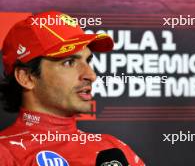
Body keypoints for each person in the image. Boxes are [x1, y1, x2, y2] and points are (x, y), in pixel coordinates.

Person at [0, 11, 145, 166]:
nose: (91, 75)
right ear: (27, 77)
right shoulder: (5, 153)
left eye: (88, 60)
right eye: (69, 62)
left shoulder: (114, 149)